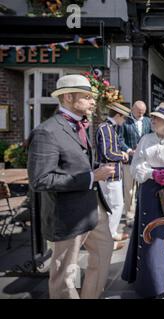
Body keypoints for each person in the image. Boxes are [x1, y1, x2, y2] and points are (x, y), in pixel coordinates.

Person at [27, 74, 116, 298]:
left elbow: (77, 162)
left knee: (104, 254)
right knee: (65, 274)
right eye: (87, 97)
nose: (93, 101)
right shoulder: (46, 131)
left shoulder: (83, 125)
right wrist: (91, 177)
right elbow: (40, 180)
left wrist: (97, 169)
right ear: (68, 97)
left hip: (94, 209)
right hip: (67, 214)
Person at [121, 102, 164, 298]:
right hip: (149, 191)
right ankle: (151, 283)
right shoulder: (146, 139)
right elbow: (135, 167)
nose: (152, 120)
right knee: (149, 234)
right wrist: (151, 174)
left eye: (156, 118)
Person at [96, 102, 131, 248]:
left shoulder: (110, 128)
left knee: (115, 205)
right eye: (124, 118)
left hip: (112, 172)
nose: (124, 121)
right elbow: (107, 152)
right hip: (109, 173)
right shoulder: (106, 128)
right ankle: (108, 238)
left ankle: (112, 233)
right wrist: (122, 155)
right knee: (115, 205)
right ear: (118, 115)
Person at [118, 101, 152, 223]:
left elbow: (152, 137)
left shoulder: (148, 121)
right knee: (129, 190)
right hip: (130, 162)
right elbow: (120, 139)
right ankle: (130, 217)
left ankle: (143, 214)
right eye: (138, 112)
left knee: (144, 188)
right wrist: (129, 150)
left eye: (143, 112)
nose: (141, 114)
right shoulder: (125, 122)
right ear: (132, 109)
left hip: (144, 161)